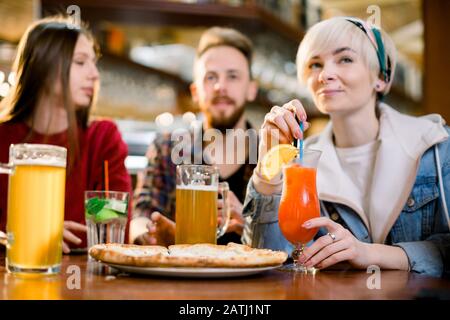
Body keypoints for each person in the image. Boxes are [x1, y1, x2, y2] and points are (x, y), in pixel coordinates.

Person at [243, 17, 450, 277]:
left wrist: (369, 253)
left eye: (345, 59)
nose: (325, 74)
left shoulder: (436, 147)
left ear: (381, 79)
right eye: (315, 64)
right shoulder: (301, 158)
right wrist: (266, 173)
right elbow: (270, 258)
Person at [0, 16, 132, 253]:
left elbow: (112, 226)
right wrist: (30, 231)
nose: (94, 74)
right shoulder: (3, 138)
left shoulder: (102, 138)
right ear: (43, 66)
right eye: (80, 62)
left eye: (94, 63)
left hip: (84, 280)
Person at [131, 27, 259, 246]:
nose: (221, 87)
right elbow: (142, 214)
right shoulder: (166, 147)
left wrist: (249, 224)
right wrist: (149, 235)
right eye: (211, 77)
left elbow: (289, 241)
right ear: (195, 91)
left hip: (256, 279)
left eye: (233, 76)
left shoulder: (272, 154)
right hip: (181, 277)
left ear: (251, 89)